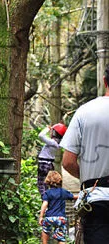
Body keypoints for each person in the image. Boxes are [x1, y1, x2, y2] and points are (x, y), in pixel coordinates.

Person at [60, 63, 109, 244]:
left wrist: (90, 178)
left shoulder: (84, 112)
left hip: (96, 199)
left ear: (105, 81)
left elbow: (68, 162)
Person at [39, 170, 78, 244]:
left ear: (48, 181)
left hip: (49, 218)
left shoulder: (47, 193)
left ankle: (44, 243)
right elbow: (74, 197)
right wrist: (83, 195)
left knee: (45, 230)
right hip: (61, 218)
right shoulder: (63, 191)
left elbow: (44, 205)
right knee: (61, 238)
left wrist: (41, 216)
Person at [37, 123, 67, 198]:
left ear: (54, 133)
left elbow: (40, 136)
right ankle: (49, 201)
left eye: (52, 131)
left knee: (42, 185)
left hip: (44, 164)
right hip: (48, 164)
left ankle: (46, 201)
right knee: (47, 184)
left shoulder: (53, 142)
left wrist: (47, 128)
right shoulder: (57, 143)